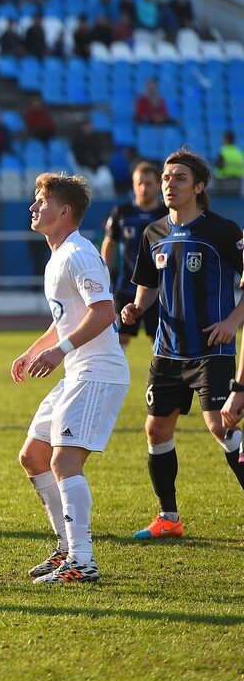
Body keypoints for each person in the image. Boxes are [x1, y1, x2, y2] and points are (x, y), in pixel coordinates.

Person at [12, 173, 129, 586]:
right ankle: (66, 547)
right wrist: (33, 351)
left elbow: (103, 312)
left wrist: (59, 352)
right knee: (33, 455)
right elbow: (66, 318)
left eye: (41, 200)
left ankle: (83, 561)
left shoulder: (79, 253)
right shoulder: (58, 255)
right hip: (78, 370)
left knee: (64, 460)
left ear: (64, 211)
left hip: (98, 372)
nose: (33, 207)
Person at [122, 149, 244, 539]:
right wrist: (136, 308)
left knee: (220, 426)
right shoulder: (153, 232)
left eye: (178, 178)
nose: (168, 184)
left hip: (212, 349)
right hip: (167, 352)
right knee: (156, 431)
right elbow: (149, 284)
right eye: (165, 177)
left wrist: (233, 320)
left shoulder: (223, 231)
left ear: (199, 187)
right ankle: (168, 518)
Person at [101, 162, 166, 347]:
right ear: (133, 184)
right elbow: (110, 243)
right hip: (127, 286)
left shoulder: (166, 213)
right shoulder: (122, 212)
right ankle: (116, 375)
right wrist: (104, 272)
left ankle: (163, 375)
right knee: (120, 338)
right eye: (139, 183)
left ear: (157, 185)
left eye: (149, 183)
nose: (143, 188)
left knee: (161, 338)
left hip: (159, 288)